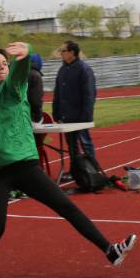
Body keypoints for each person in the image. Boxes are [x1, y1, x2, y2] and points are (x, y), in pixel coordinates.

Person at [0, 42, 136, 278]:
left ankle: (110, 250)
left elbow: (18, 76)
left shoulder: (13, 90)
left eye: (5, 64)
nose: (2, 67)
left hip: (24, 166)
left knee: (66, 207)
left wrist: (24, 57)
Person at [52, 41, 96, 180]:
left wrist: (86, 117)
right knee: (71, 146)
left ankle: (93, 170)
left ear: (72, 53)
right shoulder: (62, 70)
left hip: (80, 116)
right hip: (67, 116)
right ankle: (75, 171)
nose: (61, 53)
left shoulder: (84, 69)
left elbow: (89, 95)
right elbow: (57, 93)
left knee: (85, 143)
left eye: (63, 50)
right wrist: (56, 112)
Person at [27, 53, 44, 124]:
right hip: (31, 115)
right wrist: (38, 116)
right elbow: (36, 99)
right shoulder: (36, 75)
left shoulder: (22, 73)